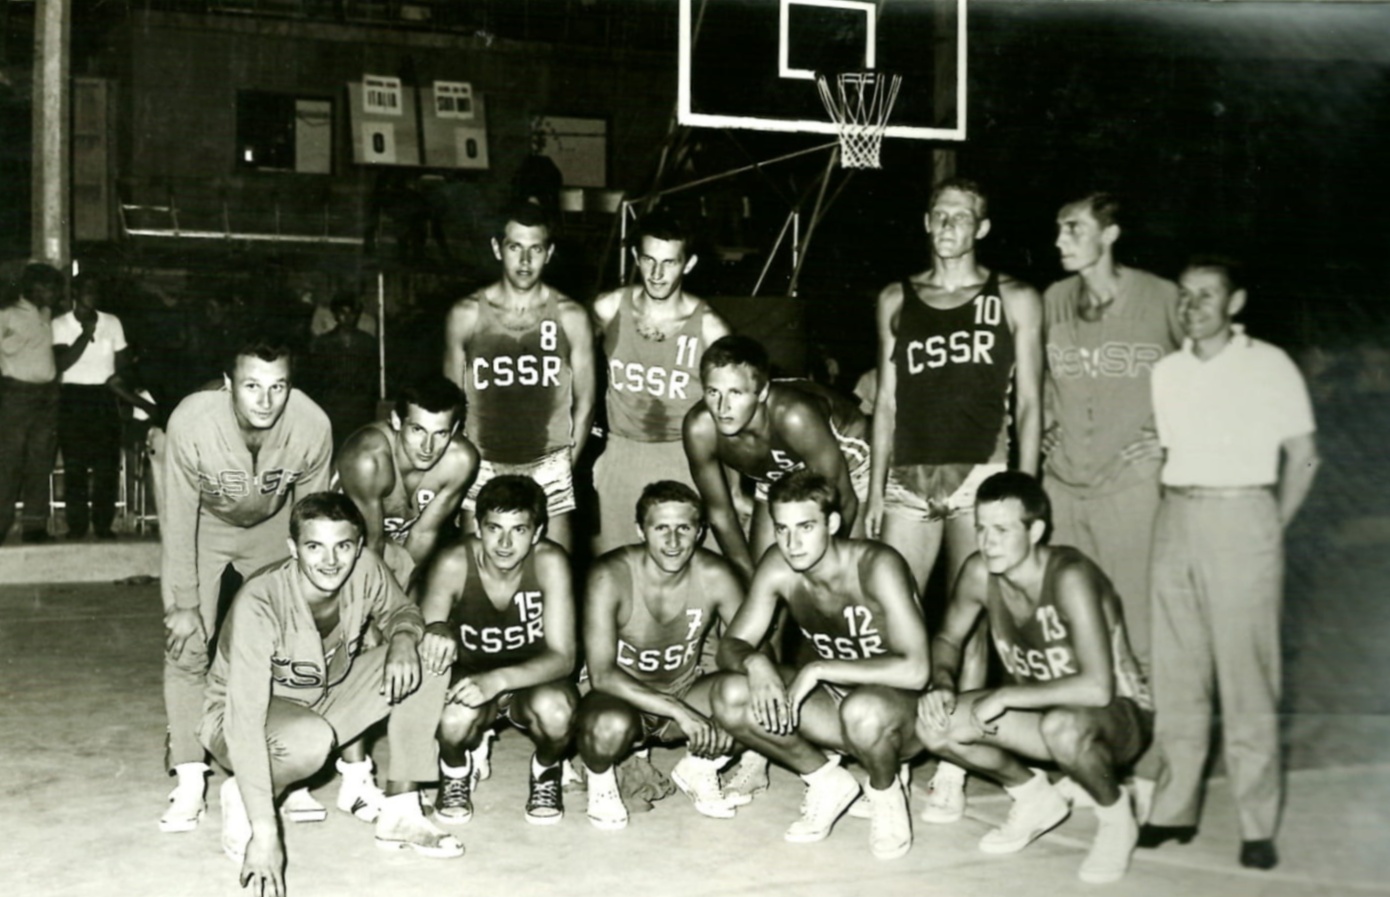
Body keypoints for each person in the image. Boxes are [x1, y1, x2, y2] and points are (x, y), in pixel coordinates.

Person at [864, 177, 1043, 821]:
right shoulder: (896, 297)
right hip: (908, 481)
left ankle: (953, 764)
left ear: (982, 228)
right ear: (925, 221)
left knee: (970, 624)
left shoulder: (1014, 297)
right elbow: (886, 404)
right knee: (890, 618)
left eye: (961, 217)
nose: (947, 226)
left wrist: (1022, 495)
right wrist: (873, 491)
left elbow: (1030, 403)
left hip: (981, 478)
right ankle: (886, 757)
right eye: (939, 215)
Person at [1139, 258, 1319, 870]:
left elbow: (1305, 456)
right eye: (1184, 295)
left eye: (1207, 295)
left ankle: (1256, 824)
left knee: (1247, 678)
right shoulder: (1167, 371)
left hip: (1244, 517)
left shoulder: (1269, 365)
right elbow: (1170, 450)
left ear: (1235, 302)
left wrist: (1270, 524)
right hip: (1177, 517)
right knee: (1177, 672)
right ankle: (1173, 809)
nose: (1192, 306)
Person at [200, 493, 461, 897]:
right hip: (239, 718)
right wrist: (266, 832)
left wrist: (404, 638)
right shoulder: (261, 601)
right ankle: (248, 795)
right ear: (292, 548)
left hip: (324, 696)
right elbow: (244, 719)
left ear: (358, 546)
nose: (330, 561)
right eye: (314, 547)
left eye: (342, 546)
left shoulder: (366, 568)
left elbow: (402, 612)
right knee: (309, 739)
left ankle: (401, 811)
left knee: (430, 654)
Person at [916, 471, 1153, 884]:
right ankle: (1032, 796)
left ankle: (1117, 819)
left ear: (1036, 531)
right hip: (1044, 716)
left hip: (1118, 716)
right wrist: (942, 683)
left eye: (1002, 530)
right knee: (934, 725)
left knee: (1064, 727)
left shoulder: (1069, 576)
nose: (988, 542)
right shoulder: (979, 572)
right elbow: (948, 638)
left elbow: (1098, 688)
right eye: (981, 529)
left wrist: (1004, 697)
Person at [158, 335, 333, 834]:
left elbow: (314, 519)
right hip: (205, 527)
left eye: (278, 386)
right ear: (228, 383)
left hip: (274, 527)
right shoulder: (192, 421)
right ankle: (190, 775)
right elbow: (177, 518)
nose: (265, 400)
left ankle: (289, 774)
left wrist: (309, 597)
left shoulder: (312, 424)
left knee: (294, 641)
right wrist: (185, 603)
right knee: (187, 643)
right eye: (252, 385)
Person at [712, 470, 929, 860]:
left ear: (832, 523)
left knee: (863, 710)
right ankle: (826, 780)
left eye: (806, 527)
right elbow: (731, 644)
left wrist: (819, 669)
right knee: (730, 694)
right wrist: (756, 661)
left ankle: (886, 791)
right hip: (836, 704)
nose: (792, 543)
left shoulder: (877, 564)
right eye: (782, 529)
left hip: (903, 714)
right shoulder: (778, 566)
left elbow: (916, 671)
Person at [1041, 192, 1181, 685]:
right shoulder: (1054, 299)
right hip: (1063, 484)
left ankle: (1152, 726)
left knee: (1138, 617)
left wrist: (1171, 440)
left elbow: (1209, 369)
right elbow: (1040, 378)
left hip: (1130, 482)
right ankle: (1085, 724)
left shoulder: (1162, 297)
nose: (1060, 240)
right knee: (1067, 617)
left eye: (1074, 228)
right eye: (1059, 229)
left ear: (1110, 234)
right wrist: (1046, 426)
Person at [576, 480, 747, 830]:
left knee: (755, 693)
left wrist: (735, 715)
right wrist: (679, 712)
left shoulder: (716, 574)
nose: (673, 541)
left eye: (683, 528)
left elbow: (751, 647)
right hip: (619, 697)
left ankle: (700, 767)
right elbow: (602, 674)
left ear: (700, 532)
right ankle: (601, 781)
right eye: (661, 528)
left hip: (685, 687)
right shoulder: (610, 574)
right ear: (641, 530)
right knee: (608, 726)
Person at [414, 475, 579, 826]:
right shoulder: (454, 562)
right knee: (452, 717)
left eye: (519, 530)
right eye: (494, 528)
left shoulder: (550, 562)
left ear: (537, 533)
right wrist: (436, 630)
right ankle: (455, 770)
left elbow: (564, 658)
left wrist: (498, 681)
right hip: (470, 673)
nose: (505, 543)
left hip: (534, 678)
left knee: (558, 713)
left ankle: (547, 770)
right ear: (477, 527)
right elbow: (426, 640)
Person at [443, 202, 596, 551]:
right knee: (477, 570)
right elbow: (450, 406)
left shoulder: (571, 316)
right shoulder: (466, 315)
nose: (525, 261)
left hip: (549, 463)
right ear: (497, 248)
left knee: (553, 569)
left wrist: (564, 466)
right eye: (515, 247)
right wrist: (462, 467)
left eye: (535, 249)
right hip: (482, 463)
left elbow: (586, 402)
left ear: (549, 253)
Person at [591, 210, 731, 556]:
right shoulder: (608, 308)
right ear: (635, 257)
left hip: (687, 457)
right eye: (649, 260)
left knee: (694, 566)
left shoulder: (711, 328)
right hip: (621, 453)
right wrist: (588, 456)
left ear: (689, 264)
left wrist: (735, 487)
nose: (656, 274)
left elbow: (733, 415)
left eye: (669, 263)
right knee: (616, 567)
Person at [683, 335, 871, 581]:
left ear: (761, 393)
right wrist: (752, 584)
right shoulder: (699, 429)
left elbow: (844, 499)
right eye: (713, 392)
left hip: (848, 462)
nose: (722, 407)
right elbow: (720, 515)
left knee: (840, 577)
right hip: (779, 469)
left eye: (735, 393)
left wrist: (820, 569)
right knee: (764, 575)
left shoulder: (794, 416)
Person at [336, 376, 480, 586]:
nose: (427, 447)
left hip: (396, 545)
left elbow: (423, 534)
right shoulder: (367, 459)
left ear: (455, 428)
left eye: (440, 433)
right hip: (343, 547)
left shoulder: (460, 461)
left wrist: (398, 592)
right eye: (417, 430)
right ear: (396, 421)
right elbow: (371, 543)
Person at [50, 274, 131, 539]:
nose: (91, 295)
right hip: (73, 397)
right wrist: (86, 335)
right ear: (75, 292)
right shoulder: (60, 324)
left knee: (107, 465)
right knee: (75, 465)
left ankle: (103, 525)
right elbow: (62, 364)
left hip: (104, 396)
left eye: (95, 290)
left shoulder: (112, 322)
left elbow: (122, 363)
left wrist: (121, 391)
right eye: (86, 290)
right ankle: (77, 526)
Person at [0, 262, 63, 544]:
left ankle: (35, 527)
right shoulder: (7, 313)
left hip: (46, 395)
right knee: (9, 462)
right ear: (34, 288)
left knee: (40, 461)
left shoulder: (45, 313)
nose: (55, 294)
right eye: (50, 288)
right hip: (16, 394)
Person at [308, 294, 379, 454]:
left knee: (358, 448)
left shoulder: (368, 342)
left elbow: (372, 375)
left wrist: (366, 400)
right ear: (335, 315)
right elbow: (315, 377)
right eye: (342, 313)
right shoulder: (323, 343)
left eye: (352, 313)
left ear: (358, 315)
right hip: (333, 405)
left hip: (359, 406)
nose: (347, 318)